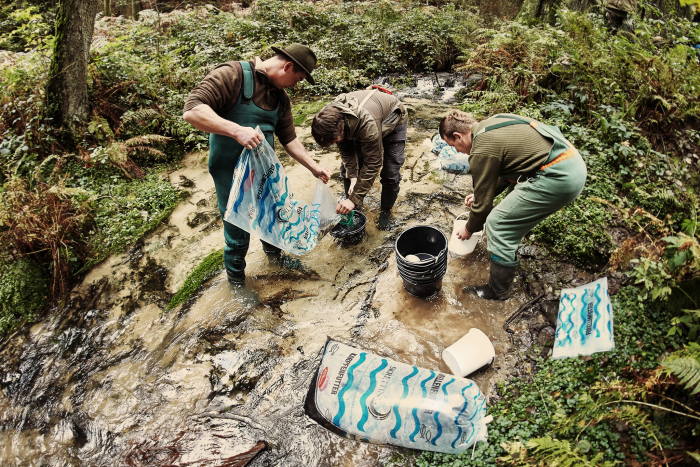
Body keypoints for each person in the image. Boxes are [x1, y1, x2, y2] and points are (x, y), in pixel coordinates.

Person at [183, 44, 331, 285]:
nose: (296, 85)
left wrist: (313, 166)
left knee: (273, 217)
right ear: (288, 66)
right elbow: (192, 111)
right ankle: (237, 283)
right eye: (298, 78)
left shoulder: (282, 99)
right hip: (230, 173)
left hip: (265, 173)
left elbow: (290, 139)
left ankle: (276, 260)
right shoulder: (234, 75)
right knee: (237, 232)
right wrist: (236, 130)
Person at [439, 111, 587, 300]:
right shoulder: (491, 124)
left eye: (454, 146)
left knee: (497, 223)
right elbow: (504, 169)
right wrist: (480, 194)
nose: (457, 151)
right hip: (569, 160)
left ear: (458, 136)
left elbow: (483, 208)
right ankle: (507, 252)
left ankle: (497, 291)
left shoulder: (481, 149)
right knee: (510, 204)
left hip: (559, 175)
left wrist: (469, 229)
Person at [311, 88, 408, 230]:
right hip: (361, 123)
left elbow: (373, 164)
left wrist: (354, 198)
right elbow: (346, 150)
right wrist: (353, 177)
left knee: (390, 172)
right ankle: (354, 209)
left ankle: (385, 212)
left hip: (392, 119)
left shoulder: (366, 125)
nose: (334, 145)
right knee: (347, 170)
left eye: (334, 141)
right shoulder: (328, 118)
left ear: (342, 129)